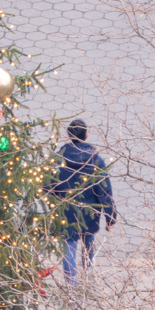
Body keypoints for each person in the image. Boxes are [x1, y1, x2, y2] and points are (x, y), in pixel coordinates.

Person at [48, 120, 116, 283]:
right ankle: (88, 274)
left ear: (69, 135)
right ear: (86, 135)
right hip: (89, 212)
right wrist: (110, 216)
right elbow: (104, 191)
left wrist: (55, 202)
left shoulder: (58, 159)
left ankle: (71, 287)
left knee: (69, 247)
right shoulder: (96, 160)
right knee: (89, 239)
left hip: (66, 212)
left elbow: (48, 184)